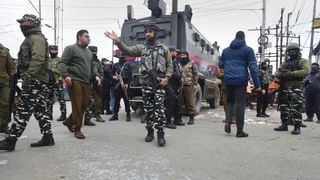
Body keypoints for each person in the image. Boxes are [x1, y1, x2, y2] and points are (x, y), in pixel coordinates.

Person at [105, 23, 173, 147]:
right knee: (148, 110)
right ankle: (150, 132)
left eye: (150, 31)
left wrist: (167, 78)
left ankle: (161, 134)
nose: (148, 33)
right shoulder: (141, 48)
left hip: (159, 85)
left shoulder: (164, 48)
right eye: (146, 31)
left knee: (160, 110)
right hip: (146, 84)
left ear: (155, 33)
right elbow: (128, 50)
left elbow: (170, 65)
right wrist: (119, 42)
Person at [0, 14, 54, 151]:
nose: (23, 26)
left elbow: (38, 59)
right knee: (40, 109)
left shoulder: (36, 38)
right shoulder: (31, 38)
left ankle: (11, 140)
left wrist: (28, 76)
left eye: (26, 23)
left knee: (23, 109)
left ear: (33, 24)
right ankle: (48, 137)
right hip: (36, 78)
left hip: (34, 79)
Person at [58, 30, 102, 139]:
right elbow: (62, 63)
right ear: (79, 37)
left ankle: (69, 121)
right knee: (77, 105)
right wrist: (66, 75)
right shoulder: (70, 48)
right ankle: (77, 128)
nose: (89, 38)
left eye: (89, 36)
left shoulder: (88, 52)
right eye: (86, 36)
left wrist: (96, 75)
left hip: (86, 81)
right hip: (74, 80)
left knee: (85, 104)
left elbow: (92, 66)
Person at [219, 31, 261, 138]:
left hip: (228, 80)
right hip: (241, 81)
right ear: (243, 38)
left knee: (229, 102)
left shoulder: (225, 51)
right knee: (240, 105)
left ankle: (228, 121)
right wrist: (257, 85)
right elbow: (253, 68)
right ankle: (239, 131)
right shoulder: (248, 50)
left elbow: (221, 64)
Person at [274, 43, 309, 135]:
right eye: (289, 51)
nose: (291, 53)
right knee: (283, 106)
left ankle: (297, 127)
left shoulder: (303, 61)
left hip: (296, 87)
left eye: (293, 51)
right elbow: (277, 72)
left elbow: (305, 71)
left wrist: (292, 73)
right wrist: (283, 74)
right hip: (284, 87)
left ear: (297, 51)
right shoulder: (285, 63)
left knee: (296, 107)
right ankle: (284, 125)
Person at [83, 46, 104, 124]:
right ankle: (86, 118)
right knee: (87, 101)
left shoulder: (98, 62)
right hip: (87, 83)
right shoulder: (85, 61)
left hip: (96, 84)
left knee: (98, 101)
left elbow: (101, 72)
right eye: (92, 52)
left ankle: (98, 115)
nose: (93, 53)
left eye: (95, 52)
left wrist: (100, 79)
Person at [165, 47, 184, 129]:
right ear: (171, 52)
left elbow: (178, 71)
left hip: (176, 85)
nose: (176, 53)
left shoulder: (175, 62)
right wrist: (179, 77)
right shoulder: (167, 61)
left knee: (177, 103)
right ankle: (168, 122)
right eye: (174, 52)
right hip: (170, 84)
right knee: (170, 104)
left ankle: (177, 120)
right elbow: (170, 73)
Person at [109, 55, 132, 121]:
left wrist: (127, 83)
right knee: (116, 100)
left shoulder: (127, 65)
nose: (121, 58)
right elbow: (111, 73)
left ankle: (128, 114)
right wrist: (113, 76)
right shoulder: (115, 65)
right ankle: (115, 115)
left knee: (126, 100)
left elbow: (130, 76)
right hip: (117, 84)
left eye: (122, 56)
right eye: (120, 56)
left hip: (125, 84)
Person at [47, 45, 67, 122]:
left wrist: (60, 79)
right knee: (48, 99)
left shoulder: (60, 60)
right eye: (52, 50)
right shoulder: (47, 60)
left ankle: (63, 114)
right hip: (49, 82)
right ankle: (49, 114)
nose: (54, 51)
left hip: (57, 82)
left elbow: (63, 71)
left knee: (61, 99)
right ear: (49, 50)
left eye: (55, 50)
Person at [179, 50, 198, 125]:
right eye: (182, 55)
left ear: (187, 56)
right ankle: (179, 118)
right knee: (179, 102)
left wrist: (195, 84)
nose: (183, 57)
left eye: (184, 55)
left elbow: (196, 74)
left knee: (189, 102)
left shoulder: (192, 63)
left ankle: (191, 118)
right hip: (180, 85)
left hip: (189, 85)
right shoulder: (179, 63)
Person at [0, 43, 16, 134]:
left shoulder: (4, 50)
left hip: (3, 82)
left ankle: (3, 125)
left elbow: (11, 67)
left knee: (6, 103)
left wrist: (13, 80)